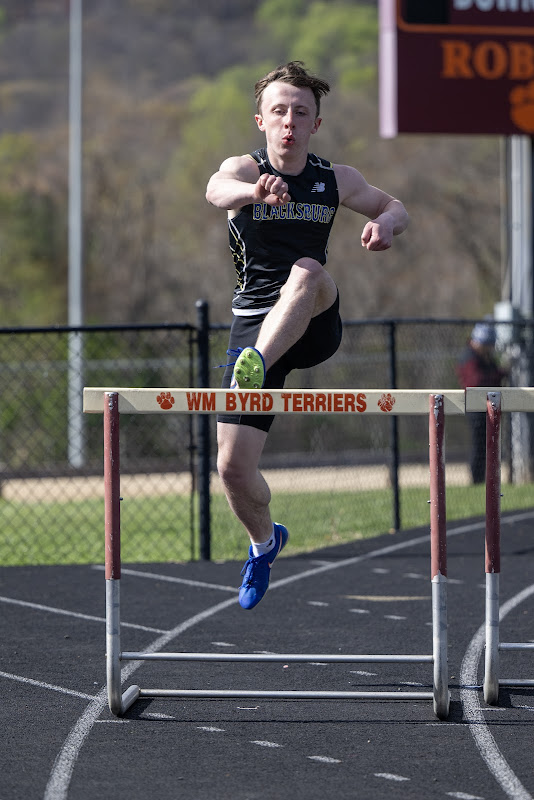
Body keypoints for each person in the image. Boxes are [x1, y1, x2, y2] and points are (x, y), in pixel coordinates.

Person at [206, 61, 409, 610]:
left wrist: (385, 224)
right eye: (279, 112)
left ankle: (256, 365)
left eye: (301, 113)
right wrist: (253, 194)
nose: (289, 122)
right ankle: (264, 543)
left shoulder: (334, 178)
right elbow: (215, 190)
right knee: (231, 468)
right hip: (254, 318)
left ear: (315, 123)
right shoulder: (241, 169)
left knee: (307, 271)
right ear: (261, 120)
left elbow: (395, 205)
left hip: (314, 318)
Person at [456, 320, 508, 484]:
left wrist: (500, 373)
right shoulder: (469, 357)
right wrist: (499, 374)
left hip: (488, 405)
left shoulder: (485, 357)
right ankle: (477, 479)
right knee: (479, 444)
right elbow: (475, 381)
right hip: (475, 407)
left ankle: (486, 479)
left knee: (489, 444)